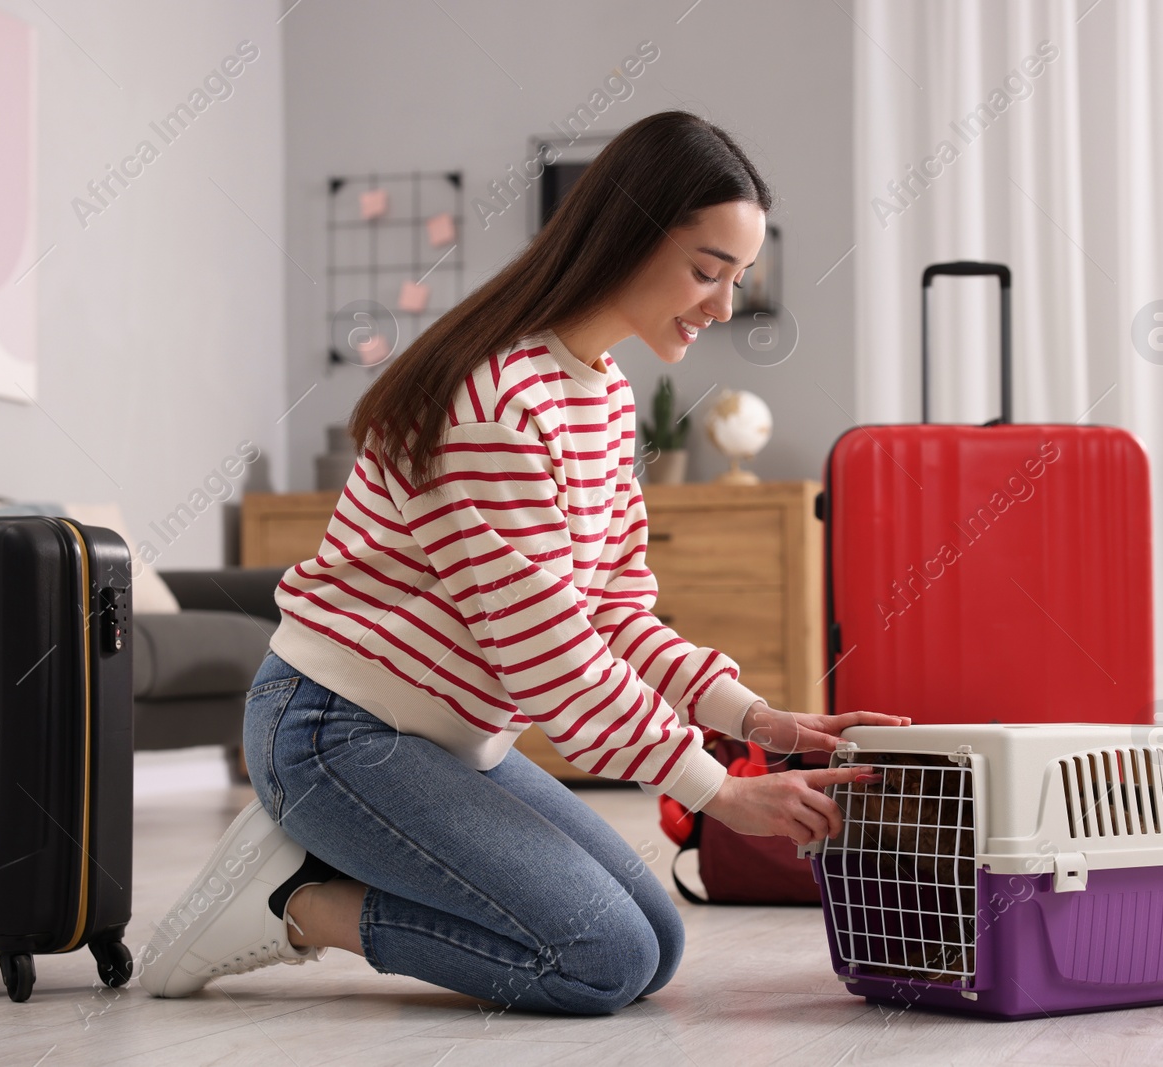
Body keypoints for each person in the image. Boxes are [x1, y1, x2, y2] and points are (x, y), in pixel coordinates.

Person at [137, 110, 908, 1014]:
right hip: (336, 730)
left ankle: (328, 856)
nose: (723, 306)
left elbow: (615, 612)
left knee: (655, 944)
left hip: (451, 739)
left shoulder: (605, 392)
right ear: (626, 235)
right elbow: (552, 662)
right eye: (707, 272)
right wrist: (716, 791)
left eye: (737, 279)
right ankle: (294, 901)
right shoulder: (496, 399)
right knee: (601, 962)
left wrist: (758, 719)